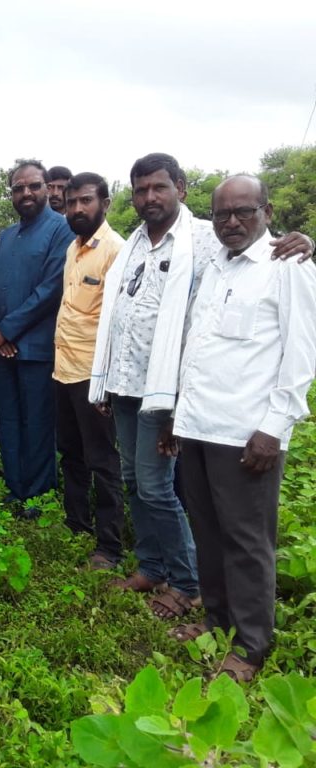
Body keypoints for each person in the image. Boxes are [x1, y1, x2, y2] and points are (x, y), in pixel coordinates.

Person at [89, 152, 314, 620]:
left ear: (181, 189)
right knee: (135, 481)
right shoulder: (132, 243)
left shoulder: (205, 241)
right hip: (129, 383)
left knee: (156, 489)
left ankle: (186, 581)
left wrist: (303, 241)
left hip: (168, 392)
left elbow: (262, 255)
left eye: (159, 188)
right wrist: (107, 378)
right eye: (141, 190)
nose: (149, 197)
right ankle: (152, 567)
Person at [169, 175, 316, 681]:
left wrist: (274, 427)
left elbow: (301, 356)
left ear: (267, 212)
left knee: (248, 540)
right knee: (208, 531)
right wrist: (178, 416)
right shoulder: (216, 267)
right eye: (222, 214)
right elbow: (200, 348)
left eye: (243, 212)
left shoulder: (288, 267)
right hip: (200, 425)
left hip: (247, 433)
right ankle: (216, 621)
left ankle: (251, 645)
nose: (231, 222)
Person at [0, 160, 74, 517]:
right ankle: (15, 488)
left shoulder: (61, 230)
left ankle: (37, 497)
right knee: (9, 421)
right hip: (3, 350)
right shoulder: (6, 236)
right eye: (18, 188)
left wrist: (7, 329)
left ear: (49, 188)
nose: (26, 193)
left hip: (38, 348)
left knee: (37, 424)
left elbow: (51, 288)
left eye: (33, 186)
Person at [52, 172, 125, 566]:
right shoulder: (73, 249)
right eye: (71, 202)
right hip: (64, 368)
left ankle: (109, 545)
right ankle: (75, 522)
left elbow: (118, 323)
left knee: (103, 460)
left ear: (105, 203)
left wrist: (107, 383)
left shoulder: (116, 251)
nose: (78, 209)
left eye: (86, 201)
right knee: (71, 453)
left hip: (94, 376)